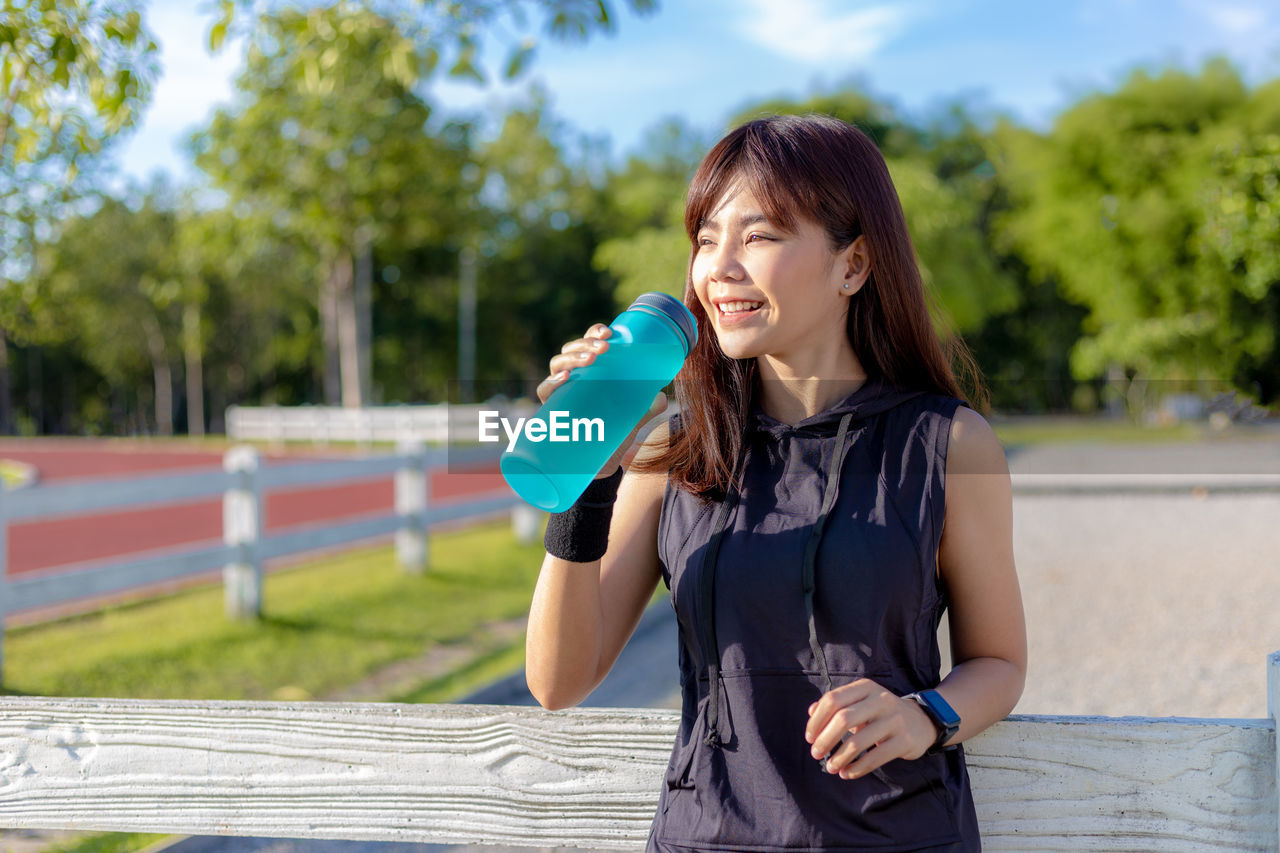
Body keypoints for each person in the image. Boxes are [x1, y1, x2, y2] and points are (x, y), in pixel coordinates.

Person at [525, 114, 1026, 852]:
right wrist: (588, 476)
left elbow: (1001, 663)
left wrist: (925, 714)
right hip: (707, 835)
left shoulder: (948, 443)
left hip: (900, 836)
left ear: (853, 265)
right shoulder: (676, 451)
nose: (718, 267)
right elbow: (557, 680)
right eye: (705, 238)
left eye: (758, 236)